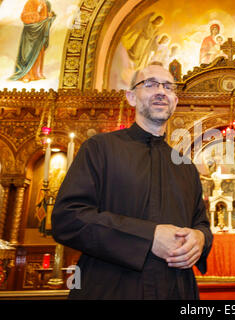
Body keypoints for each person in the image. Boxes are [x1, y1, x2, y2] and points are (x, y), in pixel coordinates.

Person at [51, 63, 213, 299]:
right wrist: (148, 237)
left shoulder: (185, 167)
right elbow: (68, 219)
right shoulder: (100, 149)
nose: (160, 91)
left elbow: (202, 224)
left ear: (175, 101)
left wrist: (200, 239)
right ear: (131, 97)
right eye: (150, 84)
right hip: (110, 289)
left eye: (168, 86)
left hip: (176, 290)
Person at [9, 0, 56, 82]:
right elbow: (24, 16)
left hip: (41, 31)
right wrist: (36, 12)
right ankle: (26, 74)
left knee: (39, 52)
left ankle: (37, 73)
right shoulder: (30, 2)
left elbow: (47, 17)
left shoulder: (46, 3)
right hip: (30, 32)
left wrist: (50, 16)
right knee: (28, 52)